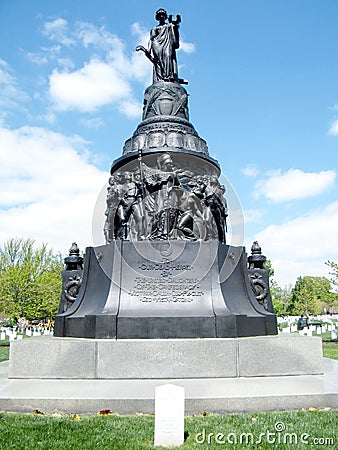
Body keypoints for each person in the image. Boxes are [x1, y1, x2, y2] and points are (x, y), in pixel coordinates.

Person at [148, 9, 180, 83]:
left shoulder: (169, 26)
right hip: (157, 44)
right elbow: (151, 39)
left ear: (165, 16)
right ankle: (160, 78)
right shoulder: (155, 28)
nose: (161, 16)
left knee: (168, 56)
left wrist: (176, 23)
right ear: (157, 17)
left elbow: (175, 28)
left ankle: (169, 76)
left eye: (163, 15)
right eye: (160, 15)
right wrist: (149, 49)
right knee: (158, 60)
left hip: (167, 43)